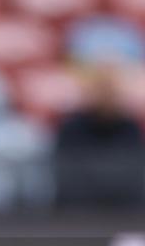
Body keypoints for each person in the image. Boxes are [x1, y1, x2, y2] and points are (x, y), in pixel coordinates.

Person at [54, 62, 145, 212]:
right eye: (100, 88)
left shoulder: (131, 127)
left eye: (110, 89)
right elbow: (66, 179)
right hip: (79, 213)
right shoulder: (71, 128)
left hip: (124, 212)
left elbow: (136, 179)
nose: (105, 94)